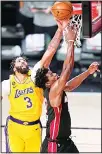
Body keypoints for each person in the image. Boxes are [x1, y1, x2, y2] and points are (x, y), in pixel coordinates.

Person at [1, 19, 69, 152]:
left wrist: (60, 31)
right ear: (14, 67)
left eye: (24, 61)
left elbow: (50, 51)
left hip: (34, 127)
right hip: (15, 126)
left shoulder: (35, 76)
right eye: (19, 61)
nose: (23, 62)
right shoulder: (8, 83)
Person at [34, 27, 100, 152]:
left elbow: (70, 85)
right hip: (55, 146)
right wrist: (70, 41)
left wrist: (87, 72)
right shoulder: (53, 91)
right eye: (50, 74)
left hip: (65, 142)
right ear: (47, 83)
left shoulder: (55, 89)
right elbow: (68, 68)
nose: (53, 73)